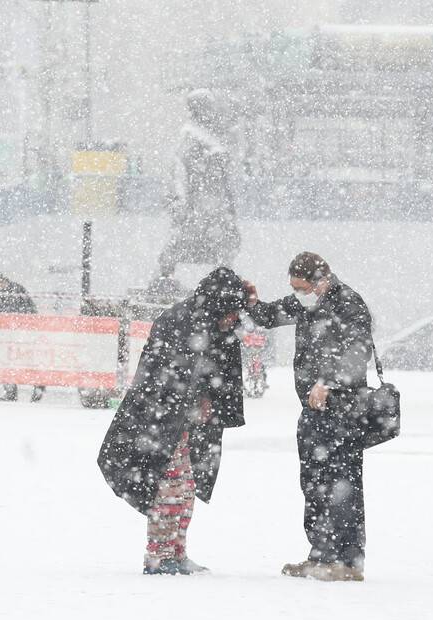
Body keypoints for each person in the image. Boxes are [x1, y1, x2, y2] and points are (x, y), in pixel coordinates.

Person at [97, 267, 249, 575]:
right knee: (168, 485)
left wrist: (205, 399)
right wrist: (196, 400)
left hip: (179, 419)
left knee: (185, 486)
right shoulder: (183, 321)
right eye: (232, 311)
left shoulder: (205, 320)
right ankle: (159, 554)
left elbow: (206, 367)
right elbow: (172, 375)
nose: (236, 318)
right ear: (220, 304)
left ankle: (176, 551)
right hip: (161, 419)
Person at [245, 252, 373, 582]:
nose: (298, 294)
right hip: (315, 412)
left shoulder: (347, 303)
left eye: (301, 288)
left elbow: (359, 351)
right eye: (294, 288)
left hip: (343, 410)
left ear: (321, 281)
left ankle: (343, 559)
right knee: (316, 483)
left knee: (340, 484)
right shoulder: (307, 302)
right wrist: (253, 303)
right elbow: (270, 315)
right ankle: (323, 555)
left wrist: (328, 381)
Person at [152, 89, 240, 292]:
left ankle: (222, 282)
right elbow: (178, 174)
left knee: (222, 242)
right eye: (207, 108)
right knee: (186, 242)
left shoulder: (211, 139)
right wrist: (179, 203)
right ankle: (165, 279)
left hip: (213, 203)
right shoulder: (191, 139)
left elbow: (222, 179)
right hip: (199, 204)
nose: (212, 112)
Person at [0, 271, 45, 403]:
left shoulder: (15, 290)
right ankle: (12, 391)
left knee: (25, 360)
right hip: (10, 333)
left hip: (22, 332)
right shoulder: (1, 294)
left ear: (0, 281)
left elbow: (25, 309)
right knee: (7, 361)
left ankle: (37, 386)